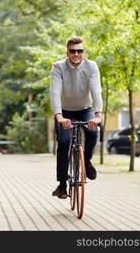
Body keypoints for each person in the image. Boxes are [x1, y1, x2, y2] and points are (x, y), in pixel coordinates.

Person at [50, 36, 103, 199]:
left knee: (93, 133)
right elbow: (55, 92)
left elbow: (96, 91)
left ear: (83, 52)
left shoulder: (91, 67)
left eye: (80, 51)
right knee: (64, 142)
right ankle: (62, 184)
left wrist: (98, 115)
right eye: (72, 51)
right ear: (67, 52)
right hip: (64, 113)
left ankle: (86, 162)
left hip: (84, 109)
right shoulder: (58, 67)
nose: (76, 54)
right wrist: (59, 116)